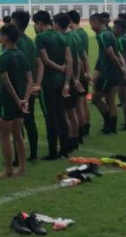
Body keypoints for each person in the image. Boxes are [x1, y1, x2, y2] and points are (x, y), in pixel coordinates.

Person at [33, 11, 71, 159]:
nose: (35, 27)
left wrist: (58, 68)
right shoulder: (62, 36)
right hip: (61, 81)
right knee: (61, 115)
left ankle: (53, 151)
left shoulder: (40, 38)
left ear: (40, 24)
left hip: (48, 81)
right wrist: (66, 79)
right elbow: (69, 59)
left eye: (35, 24)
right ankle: (65, 149)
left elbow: (44, 60)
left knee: (50, 117)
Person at [0, 25, 32, 178]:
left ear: (5, 38)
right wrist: (25, 99)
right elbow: (30, 80)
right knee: (18, 135)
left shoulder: (4, 57)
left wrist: (17, 100)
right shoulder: (22, 55)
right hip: (21, 101)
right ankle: (22, 167)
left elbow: (5, 80)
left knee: (4, 135)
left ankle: (8, 169)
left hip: (8, 101)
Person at [11, 11, 43, 162]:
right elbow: (38, 64)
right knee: (30, 121)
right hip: (29, 87)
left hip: (17, 88)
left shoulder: (13, 42)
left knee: (17, 123)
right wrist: (36, 83)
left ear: (16, 23)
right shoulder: (31, 42)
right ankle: (34, 154)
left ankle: (18, 157)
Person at [90, 13, 126, 134]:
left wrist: (121, 68)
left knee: (95, 99)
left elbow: (111, 54)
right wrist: (123, 69)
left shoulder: (103, 36)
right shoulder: (110, 33)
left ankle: (108, 122)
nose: (91, 26)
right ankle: (111, 128)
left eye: (91, 24)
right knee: (111, 101)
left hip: (108, 74)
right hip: (114, 73)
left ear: (96, 22)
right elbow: (119, 53)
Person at [53, 13, 83, 154]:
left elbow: (70, 61)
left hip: (65, 79)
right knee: (72, 111)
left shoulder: (61, 39)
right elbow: (78, 60)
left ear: (57, 24)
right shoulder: (74, 37)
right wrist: (76, 78)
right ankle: (75, 139)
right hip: (73, 79)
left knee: (64, 113)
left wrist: (68, 80)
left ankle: (68, 141)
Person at [67, 10, 92, 138]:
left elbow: (80, 57)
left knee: (77, 105)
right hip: (83, 72)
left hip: (77, 71)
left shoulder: (74, 35)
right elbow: (85, 56)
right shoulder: (83, 33)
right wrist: (88, 72)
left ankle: (80, 130)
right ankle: (86, 125)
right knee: (83, 102)